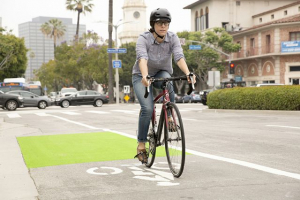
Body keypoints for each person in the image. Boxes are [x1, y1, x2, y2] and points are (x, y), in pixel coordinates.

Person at [132, 8, 196, 164]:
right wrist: (146, 76)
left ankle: (169, 115)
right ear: (153, 24)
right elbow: (142, 58)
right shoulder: (143, 39)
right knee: (147, 109)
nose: (163, 26)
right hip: (141, 75)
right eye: (160, 23)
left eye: (166, 23)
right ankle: (141, 145)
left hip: (162, 73)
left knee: (168, 80)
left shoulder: (173, 38)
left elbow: (179, 57)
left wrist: (188, 73)